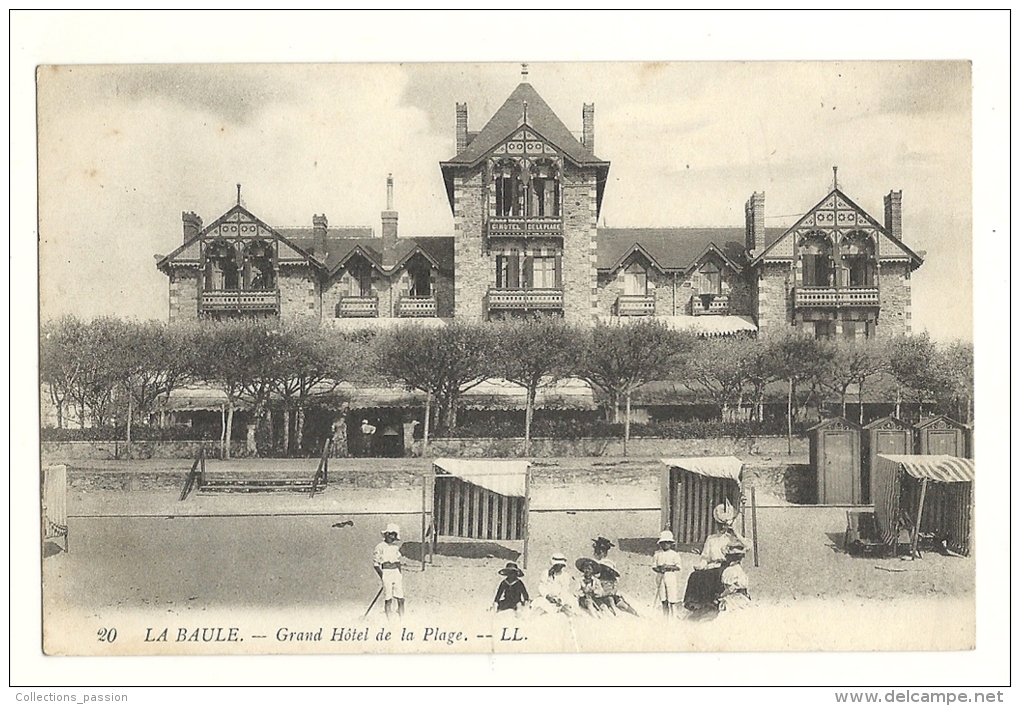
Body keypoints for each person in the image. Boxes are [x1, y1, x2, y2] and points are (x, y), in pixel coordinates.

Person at [684, 501, 750, 615]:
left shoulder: (731, 539)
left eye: (724, 525)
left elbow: (748, 546)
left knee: (715, 575)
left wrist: (735, 532)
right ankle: (695, 604)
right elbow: (705, 557)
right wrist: (701, 565)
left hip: (725, 566)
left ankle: (712, 601)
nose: (722, 527)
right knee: (695, 575)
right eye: (720, 525)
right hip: (711, 566)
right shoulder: (711, 539)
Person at [372, 523, 404, 619]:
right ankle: (389, 621)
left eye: (394, 535)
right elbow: (376, 564)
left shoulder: (395, 547)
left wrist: (399, 574)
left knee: (401, 598)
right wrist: (383, 576)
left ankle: (403, 619)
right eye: (390, 534)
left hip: (396, 573)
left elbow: (398, 562)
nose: (392, 537)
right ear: (386, 534)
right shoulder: (380, 546)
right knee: (388, 598)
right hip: (386, 572)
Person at [652, 530, 683, 618]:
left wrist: (668, 567)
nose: (665, 544)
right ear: (660, 544)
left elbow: (678, 567)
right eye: (663, 543)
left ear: (671, 543)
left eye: (667, 542)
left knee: (672, 599)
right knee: (663, 599)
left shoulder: (674, 554)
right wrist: (659, 569)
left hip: (670, 576)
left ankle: (673, 619)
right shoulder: (657, 554)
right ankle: (665, 618)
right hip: (660, 576)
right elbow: (654, 566)